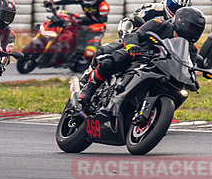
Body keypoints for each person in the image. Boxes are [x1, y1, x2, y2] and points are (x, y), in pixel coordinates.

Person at [77, 6, 205, 109]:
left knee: (181, 91)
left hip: (164, 69)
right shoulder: (159, 24)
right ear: (180, 22)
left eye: (196, 30)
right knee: (110, 61)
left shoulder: (191, 48)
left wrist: (192, 80)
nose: (192, 32)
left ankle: (157, 112)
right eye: (191, 28)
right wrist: (132, 46)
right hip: (139, 55)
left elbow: (189, 65)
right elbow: (136, 34)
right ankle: (89, 89)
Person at [44, 0, 110, 59]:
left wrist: (89, 28)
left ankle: (92, 59)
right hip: (86, 20)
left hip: (97, 27)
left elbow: (102, 23)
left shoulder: (103, 6)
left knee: (90, 52)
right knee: (67, 20)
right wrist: (52, 2)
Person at [118, 0, 191, 38]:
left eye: (181, 8)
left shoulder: (186, 19)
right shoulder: (151, 9)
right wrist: (126, 35)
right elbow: (128, 21)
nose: (177, 11)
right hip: (146, 47)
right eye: (175, 6)